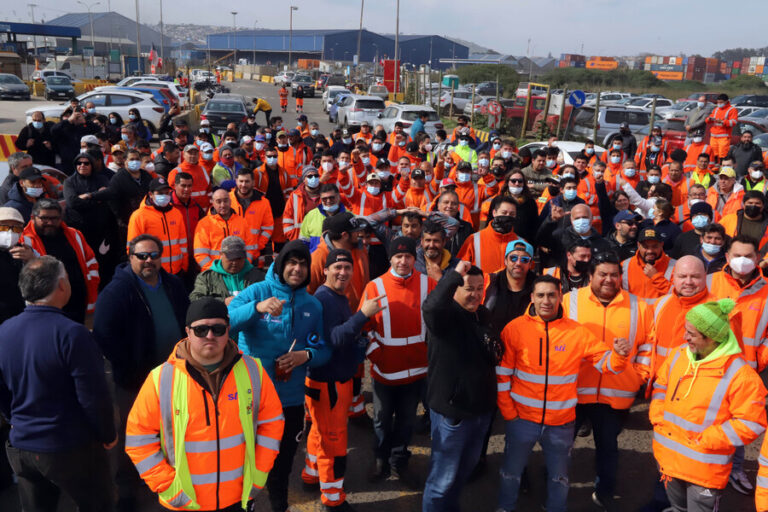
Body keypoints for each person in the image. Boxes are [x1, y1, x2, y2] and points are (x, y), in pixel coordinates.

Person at [125, 297, 285, 512]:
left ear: (228, 330)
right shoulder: (160, 379)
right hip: (185, 503)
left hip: (238, 499)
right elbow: (138, 439)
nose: (210, 336)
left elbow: (272, 423)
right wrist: (168, 486)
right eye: (201, 330)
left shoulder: (253, 372)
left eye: (218, 329)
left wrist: (259, 473)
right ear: (188, 332)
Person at [495, 275, 630, 512]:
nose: (546, 300)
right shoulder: (514, 329)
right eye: (540, 295)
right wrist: (508, 412)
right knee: (511, 472)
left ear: (560, 297)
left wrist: (619, 354)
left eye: (551, 295)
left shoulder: (576, 332)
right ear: (532, 298)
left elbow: (606, 364)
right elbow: (502, 375)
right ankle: (506, 507)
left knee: (559, 477)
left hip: (561, 423)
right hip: (521, 419)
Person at [0, 256, 116, 512]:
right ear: (62, 285)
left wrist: (15, 418)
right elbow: (94, 395)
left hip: (21, 447)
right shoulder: (72, 334)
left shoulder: (4, 330)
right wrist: (108, 434)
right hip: (69, 446)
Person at [228, 240, 332, 512]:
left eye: (302, 264)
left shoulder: (313, 304)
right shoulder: (258, 290)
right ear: (280, 264)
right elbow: (225, 321)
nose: (297, 269)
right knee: (246, 460)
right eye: (291, 263)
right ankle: (244, 504)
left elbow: (323, 349)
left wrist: (305, 356)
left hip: (290, 399)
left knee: (283, 462)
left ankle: (279, 505)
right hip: (251, 397)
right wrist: (257, 308)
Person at [92, 233, 188, 511]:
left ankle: (170, 476)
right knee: (133, 435)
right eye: (142, 256)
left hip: (174, 375)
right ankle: (127, 490)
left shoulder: (172, 284)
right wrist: (131, 367)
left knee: (173, 429)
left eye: (154, 255)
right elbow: (104, 336)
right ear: (130, 257)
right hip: (136, 380)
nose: (148, 261)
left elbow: (185, 320)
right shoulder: (116, 292)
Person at [650, 298, 767, 512]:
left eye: (692, 334)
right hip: (669, 460)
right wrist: (658, 416)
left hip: (704, 469)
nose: (685, 337)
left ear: (712, 338)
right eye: (686, 330)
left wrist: (707, 439)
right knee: (677, 509)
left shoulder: (742, 376)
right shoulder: (678, 355)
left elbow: (752, 423)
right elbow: (661, 386)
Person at [564, 252, 654, 510]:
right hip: (574, 390)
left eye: (614, 274)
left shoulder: (640, 306)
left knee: (608, 447)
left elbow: (648, 346)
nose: (609, 279)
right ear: (590, 276)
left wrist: (640, 375)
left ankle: (604, 491)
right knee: (561, 445)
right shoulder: (570, 301)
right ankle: (555, 484)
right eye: (602, 274)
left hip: (617, 392)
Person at [303, 249, 386, 511]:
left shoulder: (334, 296)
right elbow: (335, 338)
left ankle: (311, 474)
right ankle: (333, 498)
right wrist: (363, 315)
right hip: (329, 384)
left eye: (347, 268)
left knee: (319, 432)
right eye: (337, 267)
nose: (342, 272)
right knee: (334, 442)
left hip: (326, 382)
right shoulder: (326, 298)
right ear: (325, 270)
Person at [421, 260, 498, 512]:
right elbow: (431, 306)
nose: (475, 294)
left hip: (481, 411)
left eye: (479, 288)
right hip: (452, 415)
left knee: (463, 473)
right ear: (454, 290)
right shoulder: (445, 318)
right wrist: (453, 274)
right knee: (441, 481)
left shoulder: (483, 315)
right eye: (469, 288)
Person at [361, 237, 436, 484]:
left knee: (405, 422)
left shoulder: (429, 285)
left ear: (415, 258)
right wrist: (377, 356)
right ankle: (380, 459)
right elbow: (364, 329)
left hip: (417, 372)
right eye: (398, 257)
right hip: (385, 372)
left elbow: (438, 325)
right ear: (390, 258)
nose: (403, 261)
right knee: (382, 420)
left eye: (408, 257)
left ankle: (398, 461)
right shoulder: (374, 287)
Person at [22, 198, 98, 323]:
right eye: (44, 218)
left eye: (54, 218)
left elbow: (91, 262)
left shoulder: (75, 235)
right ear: (33, 217)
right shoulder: (25, 241)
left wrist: (92, 287)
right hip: (48, 306)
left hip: (78, 302)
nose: (50, 222)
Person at [651, 256, 714, 379]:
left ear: (705, 276)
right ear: (673, 276)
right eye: (682, 276)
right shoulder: (661, 304)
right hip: (659, 383)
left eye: (695, 276)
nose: (688, 282)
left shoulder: (716, 311)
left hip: (692, 385)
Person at [127, 177, 189, 277]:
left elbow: (182, 243)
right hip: (152, 272)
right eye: (160, 193)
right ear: (151, 194)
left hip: (177, 271)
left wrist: (184, 266)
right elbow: (132, 248)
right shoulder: (139, 216)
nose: (164, 196)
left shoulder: (176, 213)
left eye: (166, 193)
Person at [309, 211, 370, 310]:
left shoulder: (360, 249)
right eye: (355, 231)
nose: (358, 234)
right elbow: (307, 292)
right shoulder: (319, 257)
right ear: (345, 235)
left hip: (361, 316)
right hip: (334, 322)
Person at [194, 188, 259, 272]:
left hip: (239, 272)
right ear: (213, 203)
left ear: (230, 201)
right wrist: (214, 271)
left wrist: (243, 266)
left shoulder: (242, 222)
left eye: (225, 201)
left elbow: (250, 248)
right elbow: (200, 254)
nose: (223, 205)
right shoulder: (204, 224)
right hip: (214, 274)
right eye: (218, 201)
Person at [190, 235, 265, 303]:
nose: (235, 262)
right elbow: (195, 298)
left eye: (239, 258)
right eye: (231, 258)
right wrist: (223, 302)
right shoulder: (206, 277)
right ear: (221, 255)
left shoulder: (257, 276)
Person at [458, 196, 518, 273]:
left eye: (512, 214)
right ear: (494, 213)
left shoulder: (520, 242)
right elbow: (460, 268)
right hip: (482, 284)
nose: (507, 216)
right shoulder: (474, 239)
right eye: (504, 213)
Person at [621, 228, 676, 299]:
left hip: (663, 310)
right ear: (638, 245)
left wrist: (656, 277)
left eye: (655, 246)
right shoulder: (624, 266)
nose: (650, 251)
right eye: (645, 247)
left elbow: (679, 295)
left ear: (662, 245)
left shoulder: (675, 266)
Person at [0, 207, 30, 323]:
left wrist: (30, 261)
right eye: (3, 227)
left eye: (16, 228)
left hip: (19, 315)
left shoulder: (25, 250)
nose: (10, 232)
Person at [168, 144, 211, 210]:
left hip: (204, 211)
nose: (193, 156)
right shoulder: (176, 171)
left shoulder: (203, 169)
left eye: (195, 153)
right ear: (184, 155)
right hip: (186, 210)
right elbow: (171, 194)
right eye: (190, 153)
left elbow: (209, 190)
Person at [706, 94, 739, 162]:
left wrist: (723, 122)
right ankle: (715, 167)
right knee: (713, 153)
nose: (719, 104)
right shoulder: (716, 109)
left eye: (721, 102)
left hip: (724, 136)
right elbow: (709, 118)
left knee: (723, 154)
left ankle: (722, 167)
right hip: (714, 136)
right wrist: (708, 119)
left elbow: (734, 122)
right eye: (718, 102)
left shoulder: (732, 110)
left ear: (726, 101)